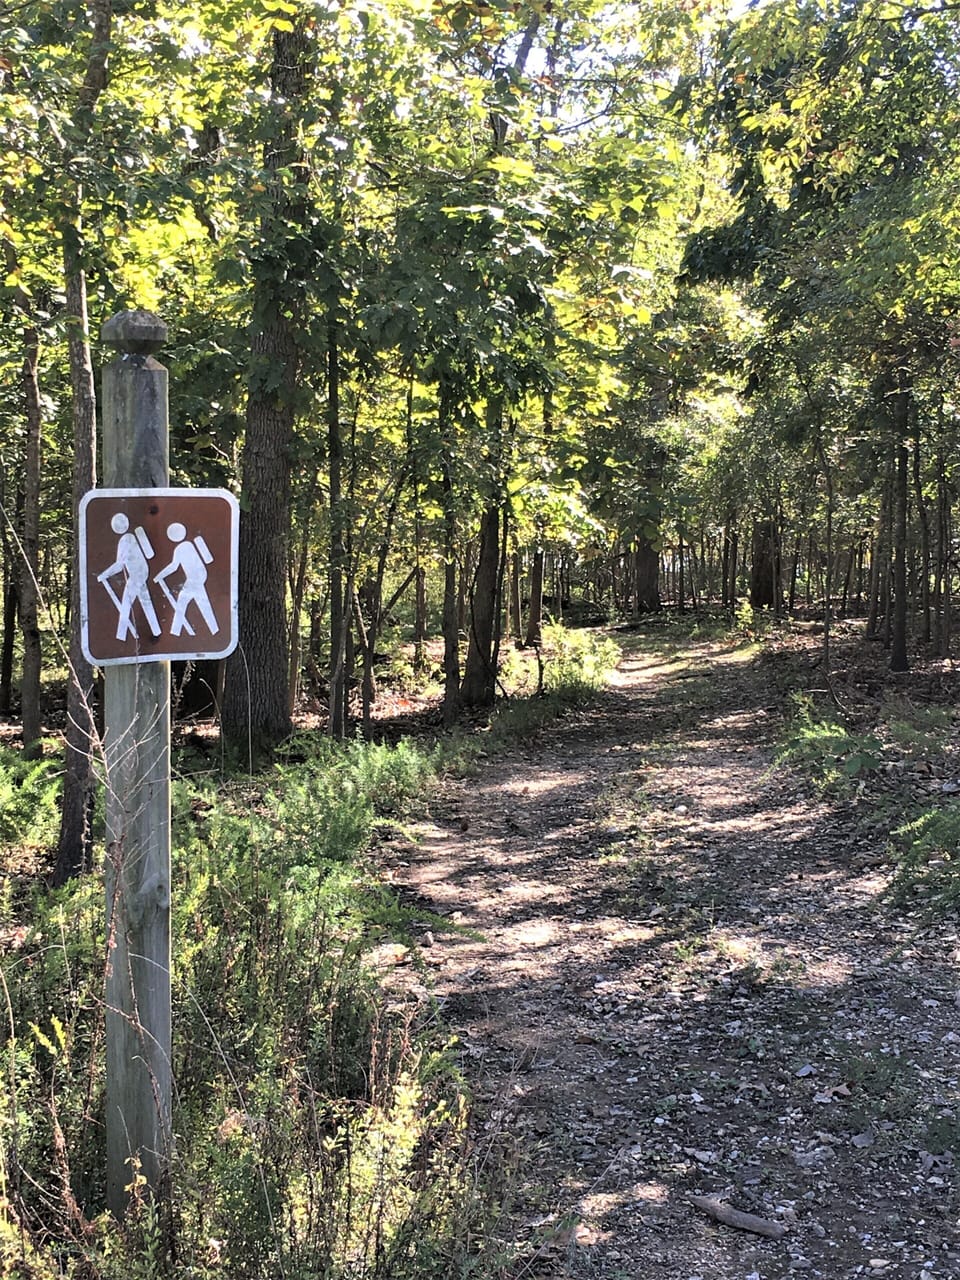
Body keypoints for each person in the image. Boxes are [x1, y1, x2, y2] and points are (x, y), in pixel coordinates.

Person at [98, 513, 161, 642]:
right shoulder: (131, 537)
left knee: (126, 604)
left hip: (136, 576)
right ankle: (156, 631)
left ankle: (121, 636)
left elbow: (119, 565)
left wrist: (104, 575)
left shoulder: (125, 540)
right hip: (142, 574)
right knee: (146, 602)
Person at [154, 523, 219, 638]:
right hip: (198, 577)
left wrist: (159, 576)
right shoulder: (189, 545)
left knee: (185, 601)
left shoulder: (180, 548)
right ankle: (214, 630)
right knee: (200, 602)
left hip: (194, 578)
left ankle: (175, 632)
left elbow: (174, 566)